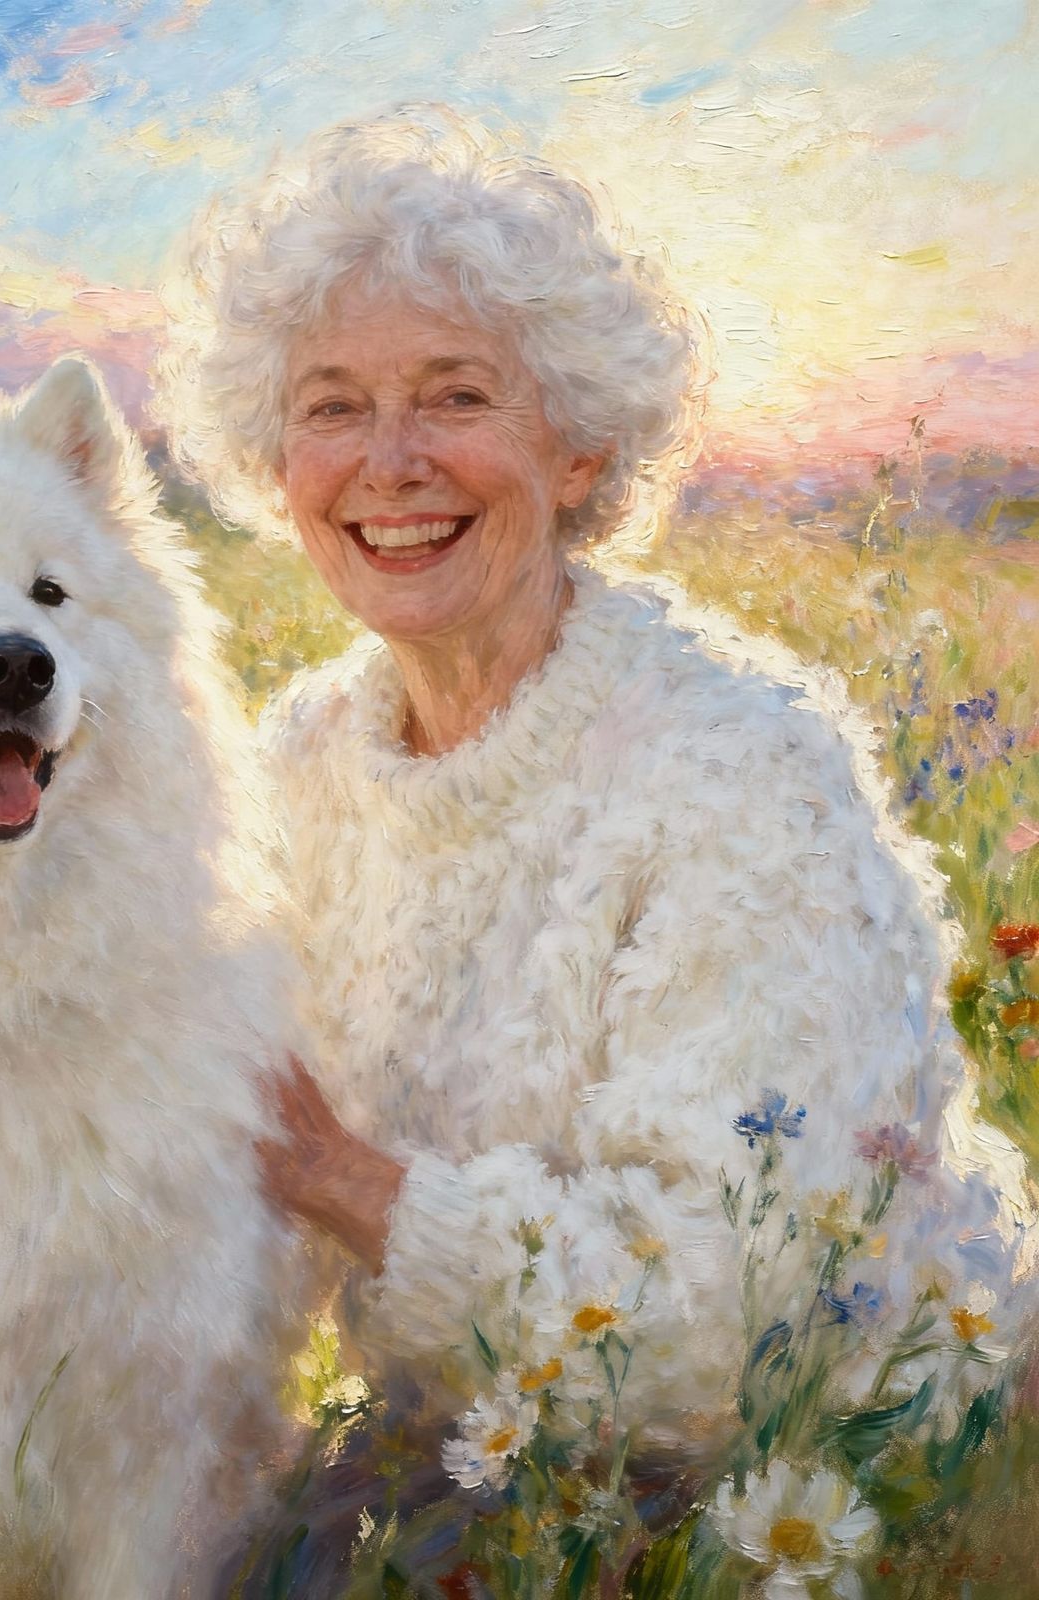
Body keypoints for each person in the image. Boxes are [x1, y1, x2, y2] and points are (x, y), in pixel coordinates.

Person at [156, 106, 1035, 1581]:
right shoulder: (298, 762)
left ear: (577, 451)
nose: (389, 464)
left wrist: (349, 1187)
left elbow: (742, 1330)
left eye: (453, 397)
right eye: (330, 406)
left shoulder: (738, 773)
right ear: (271, 456)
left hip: (821, 1466)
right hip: (483, 1434)